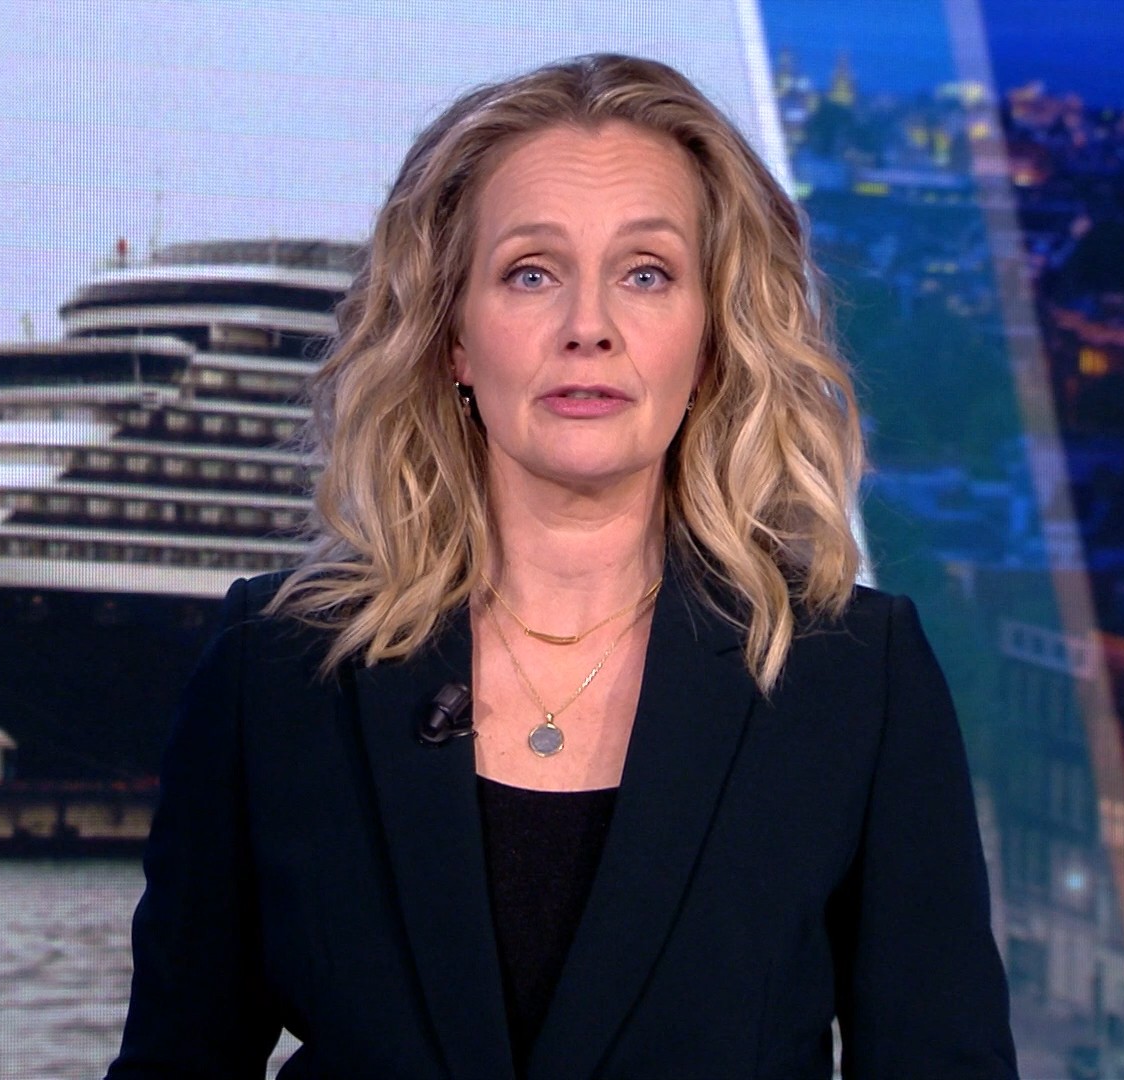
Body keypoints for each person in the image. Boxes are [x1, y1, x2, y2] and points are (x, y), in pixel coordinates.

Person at [105, 53, 1017, 1079]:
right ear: (452, 336)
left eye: (646, 274)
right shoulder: (275, 665)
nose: (589, 328)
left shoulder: (857, 677)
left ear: (711, 340)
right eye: (531, 273)